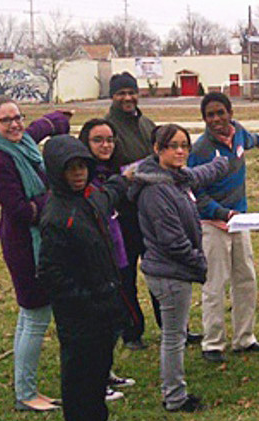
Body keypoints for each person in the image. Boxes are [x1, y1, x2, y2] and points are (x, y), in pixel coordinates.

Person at [37, 135, 135, 421]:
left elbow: (109, 196)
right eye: (71, 169)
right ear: (56, 171)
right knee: (80, 381)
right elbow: (52, 274)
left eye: (82, 167)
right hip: (80, 315)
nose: (78, 174)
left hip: (104, 304)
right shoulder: (57, 215)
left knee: (98, 376)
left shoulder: (88, 200)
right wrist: (86, 302)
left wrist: (126, 178)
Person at [130, 124, 229, 412]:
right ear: (157, 149)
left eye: (184, 145)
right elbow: (172, 241)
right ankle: (174, 396)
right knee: (174, 337)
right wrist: (201, 264)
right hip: (169, 273)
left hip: (173, 270)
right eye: (172, 146)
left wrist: (222, 161)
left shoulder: (175, 178)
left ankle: (174, 391)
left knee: (175, 335)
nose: (180, 151)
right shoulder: (157, 190)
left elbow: (201, 174)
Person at [0, 95, 70, 411]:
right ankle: (26, 394)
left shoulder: (23, 145)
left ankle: (26, 388)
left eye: (18, 117)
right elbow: (22, 211)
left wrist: (59, 117)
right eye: (6, 120)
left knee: (28, 315)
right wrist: (55, 197)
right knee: (36, 315)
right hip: (24, 245)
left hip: (38, 239)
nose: (15, 124)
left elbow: (42, 127)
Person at [187, 92, 259, 363]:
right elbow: (194, 191)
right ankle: (212, 343)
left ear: (230, 113)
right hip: (213, 224)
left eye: (220, 113)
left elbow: (251, 138)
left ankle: (244, 338)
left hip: (240, 221)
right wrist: (220, 212)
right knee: (215, 283)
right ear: (204, 119)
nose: (216, 119)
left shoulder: (239, 135)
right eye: (210, 115)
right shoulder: (200, 150)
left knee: (246, 278)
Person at [105, 71, 172, 350]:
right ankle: (132, 331)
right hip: (124, 214)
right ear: (113, 96)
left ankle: (171, 326)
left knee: (161, 271)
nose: (127, 98)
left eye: (131, 92)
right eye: (121, 93)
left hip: (152, 211)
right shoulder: (107, 128)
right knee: (126, 275)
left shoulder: (147, 124)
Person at [78, 119, 138, 400]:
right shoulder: (82, 176)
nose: (106, 145)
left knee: (115, 313)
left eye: (110, 139)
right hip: (95, 257)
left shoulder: (114, 171)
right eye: (98, 140)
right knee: (97, 320)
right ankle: (94, 380)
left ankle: (107, 369)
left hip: (117, 251)